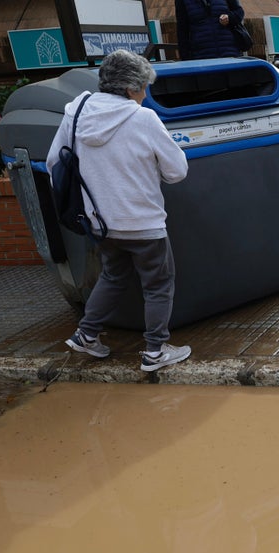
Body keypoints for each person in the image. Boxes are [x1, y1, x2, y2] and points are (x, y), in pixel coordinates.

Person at [48, 49, 191, 372]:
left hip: (101, 223)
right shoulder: (143, 118)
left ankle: (86, 335)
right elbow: (177, 171)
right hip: (143, 223)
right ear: (130, 88)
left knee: (113, 276)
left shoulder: (77, 111)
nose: (145, 95)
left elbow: (56, 162)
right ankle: (155, 351)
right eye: (143, 88)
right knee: (158, 286)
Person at [175, 0, 247, 60]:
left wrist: (229, 18)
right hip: (201, 58)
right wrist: (186, 60)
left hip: (230, 53)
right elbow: (182, 31)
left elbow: (239, 11)